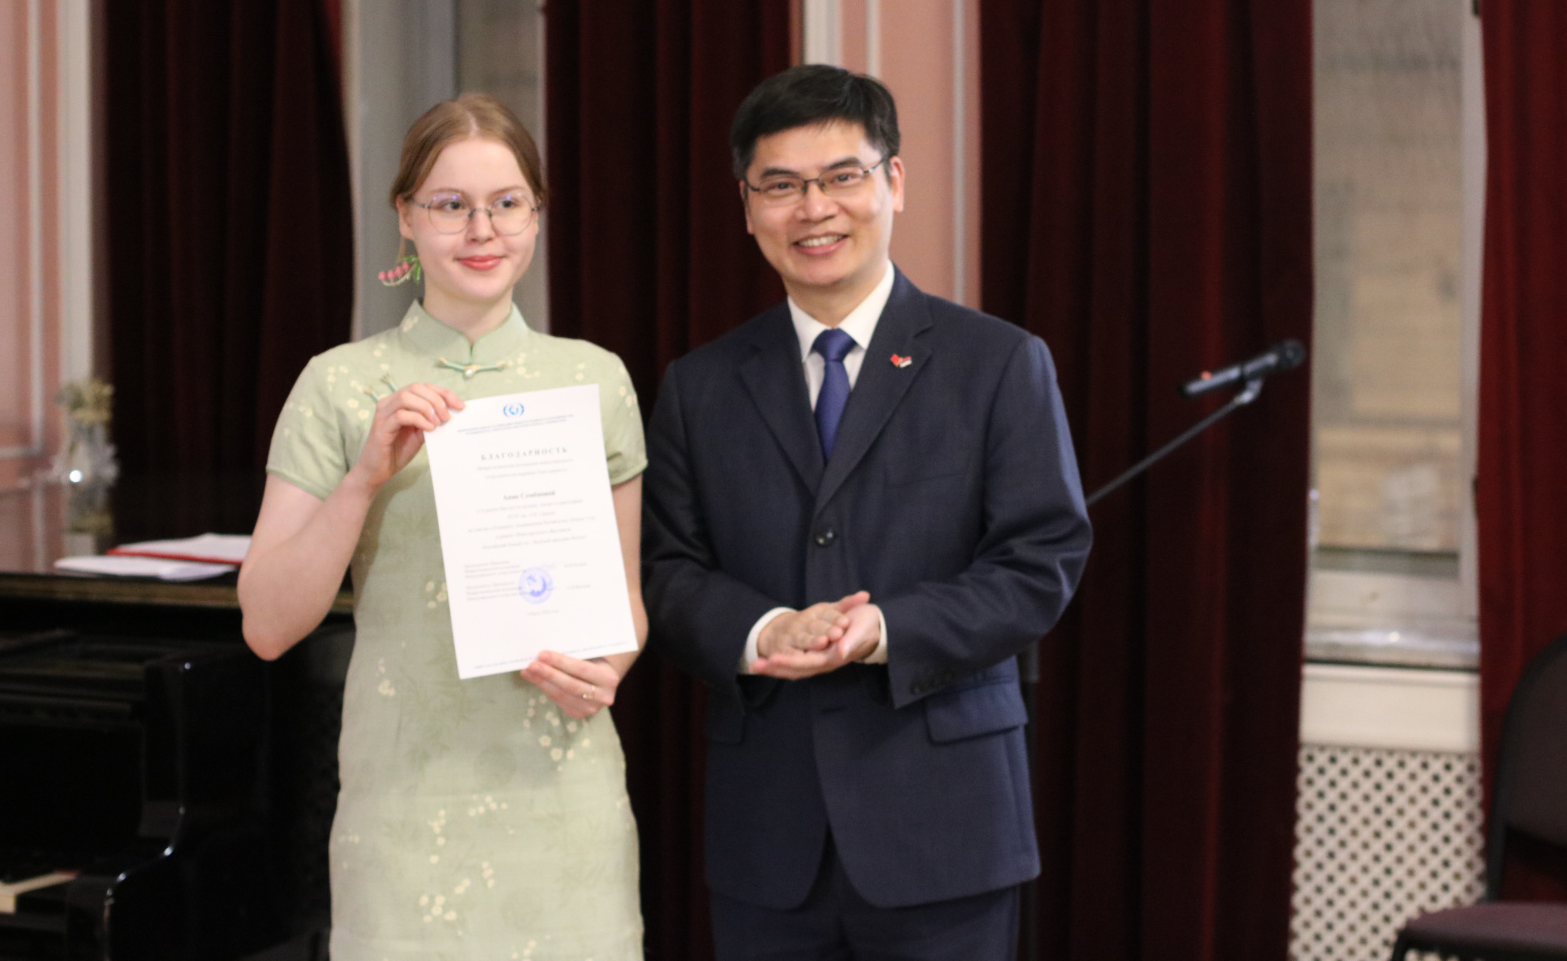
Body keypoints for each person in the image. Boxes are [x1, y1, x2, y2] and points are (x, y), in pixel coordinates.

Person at [641, 65, 1093, 959]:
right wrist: (763, 629)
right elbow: (666, 570)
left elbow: (1039, 562)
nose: (814, 209)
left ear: (893, 181)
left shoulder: (998, 363)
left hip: (946, 828)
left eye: (842, 176)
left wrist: (884, 628)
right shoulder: (700, 385)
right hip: (768, 836)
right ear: (747, 207)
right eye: (781, 185)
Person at [238, 93, 648, 960]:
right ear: (406, 216)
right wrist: (365, 477)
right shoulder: (338, 384)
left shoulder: (595, 379)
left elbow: (625, 605)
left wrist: (605, 669)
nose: (481, 230)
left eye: (507, 203)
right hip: (405, 800)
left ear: (537, 214)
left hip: (563, 791)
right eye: (451, 204)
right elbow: (268, 626)